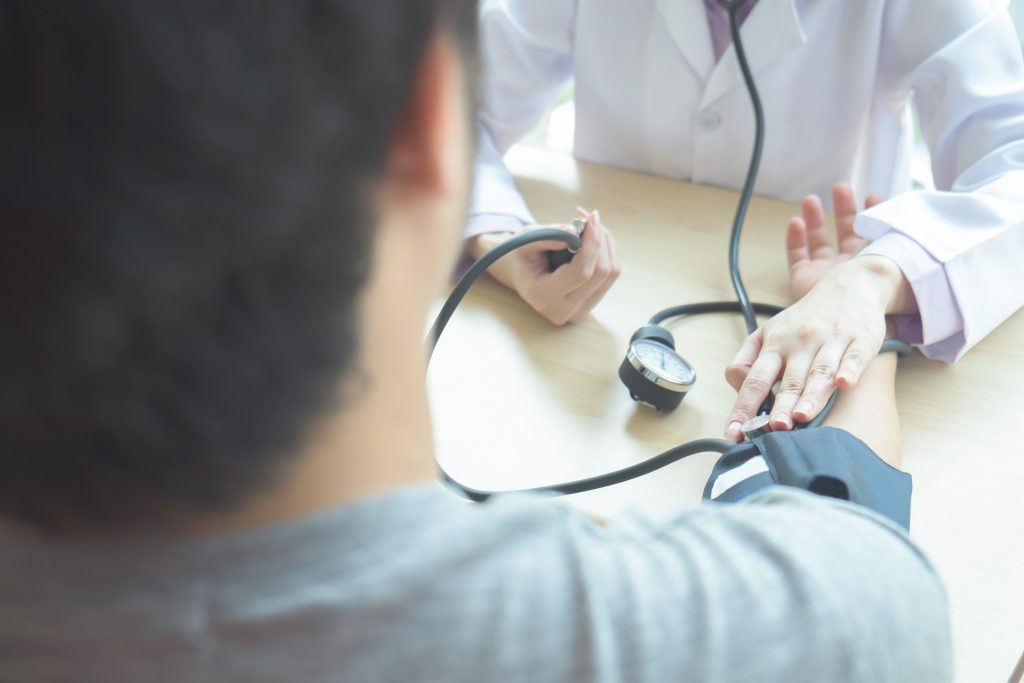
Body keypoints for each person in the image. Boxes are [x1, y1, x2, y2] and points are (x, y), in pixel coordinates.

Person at [0, 2, 950, 681]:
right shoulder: (820, 625)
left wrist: (877, 280)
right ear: (426, 121)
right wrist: (850, 329)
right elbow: (857, 544)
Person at [467, 0, 1024, 440]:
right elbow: (436, 113)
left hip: (826, 297)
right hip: (600, 320)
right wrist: (497, 238)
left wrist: (877, 277)